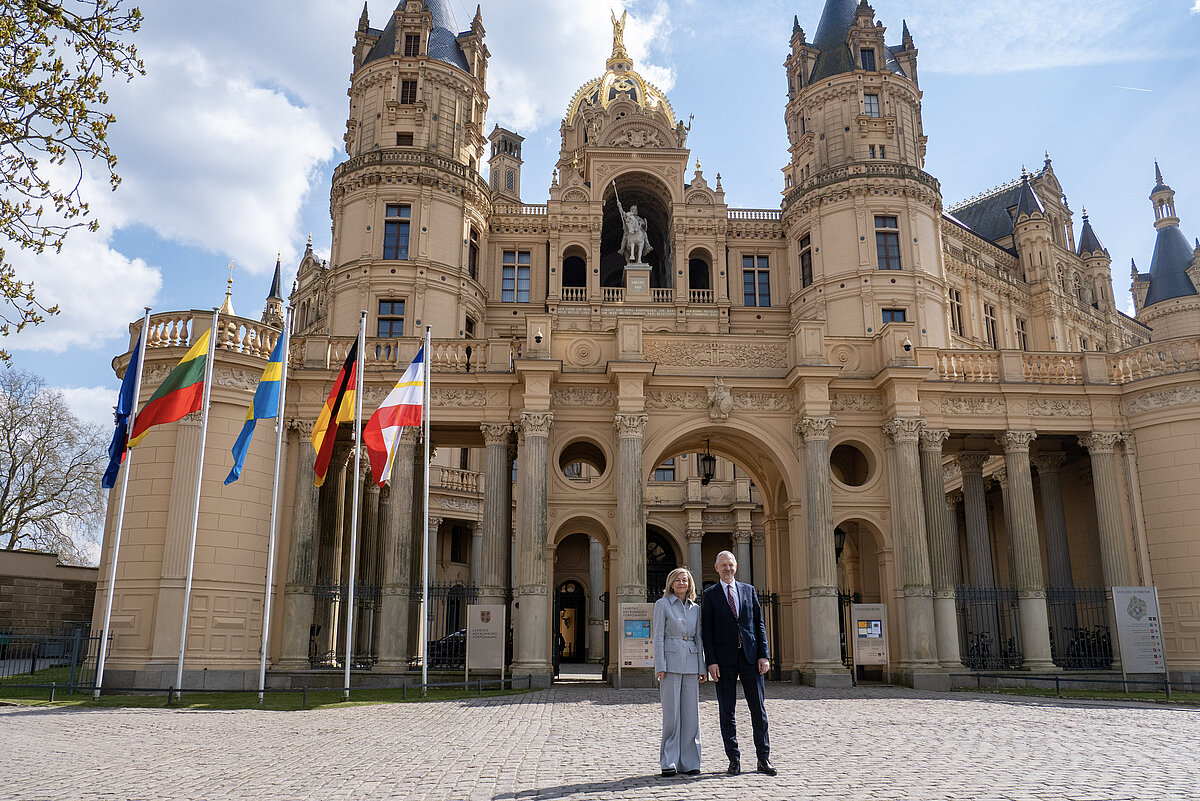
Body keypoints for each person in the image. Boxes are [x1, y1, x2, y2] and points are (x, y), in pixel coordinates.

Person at [701, 550, 776, 776]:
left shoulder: (748, 590)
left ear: (736, 566)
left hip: (751, 658)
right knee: (727, 711)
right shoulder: (710, 594)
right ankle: (734, 759)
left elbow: (759, 624)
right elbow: (707, 631)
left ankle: (763, 758)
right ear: (716, 568)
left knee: (758, 710)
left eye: (731, 564)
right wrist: (711, 661)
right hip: (724, 661)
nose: (727, 568)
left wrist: (764, 655)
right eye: (723, 565)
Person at [653, 567, 706, 777]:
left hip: (691, 662)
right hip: (671, 663)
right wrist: (660, 665)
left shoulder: (696, 608)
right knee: (672, 716)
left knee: (692, 715)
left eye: (685, 580)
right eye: (677, 580)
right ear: (671, 583)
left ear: (690, 584)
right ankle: (669, 761)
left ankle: (690, 761)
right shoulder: (662, 604)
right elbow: (658, 636)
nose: (681, 583)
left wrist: (702, 667)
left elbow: (699, 638)